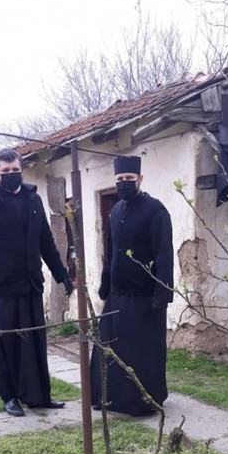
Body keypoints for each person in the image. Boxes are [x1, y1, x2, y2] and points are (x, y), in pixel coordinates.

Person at [0, 149, 74, 417]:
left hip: (31, 285)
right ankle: (10, 396)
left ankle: (40, 396)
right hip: (1, 290)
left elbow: (46, 243)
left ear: (20, 170)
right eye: (6, 172)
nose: (12, 175)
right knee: (6, 343)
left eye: (16, 171)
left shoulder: (33, 200)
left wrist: (62, 277)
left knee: (35, 341)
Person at [90, 154, 174, 416]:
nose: (124, 183)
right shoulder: (115, 210)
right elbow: (111, 250)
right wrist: (105, 285)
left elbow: (164, 254)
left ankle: (143, 401)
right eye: (120, 179)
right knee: (109, 347)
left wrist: (162, 294)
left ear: (140, 179)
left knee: (141, 352)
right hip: (117, 295)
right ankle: (109, 398)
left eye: (129, 179)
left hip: (144, 297)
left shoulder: (156, 211)